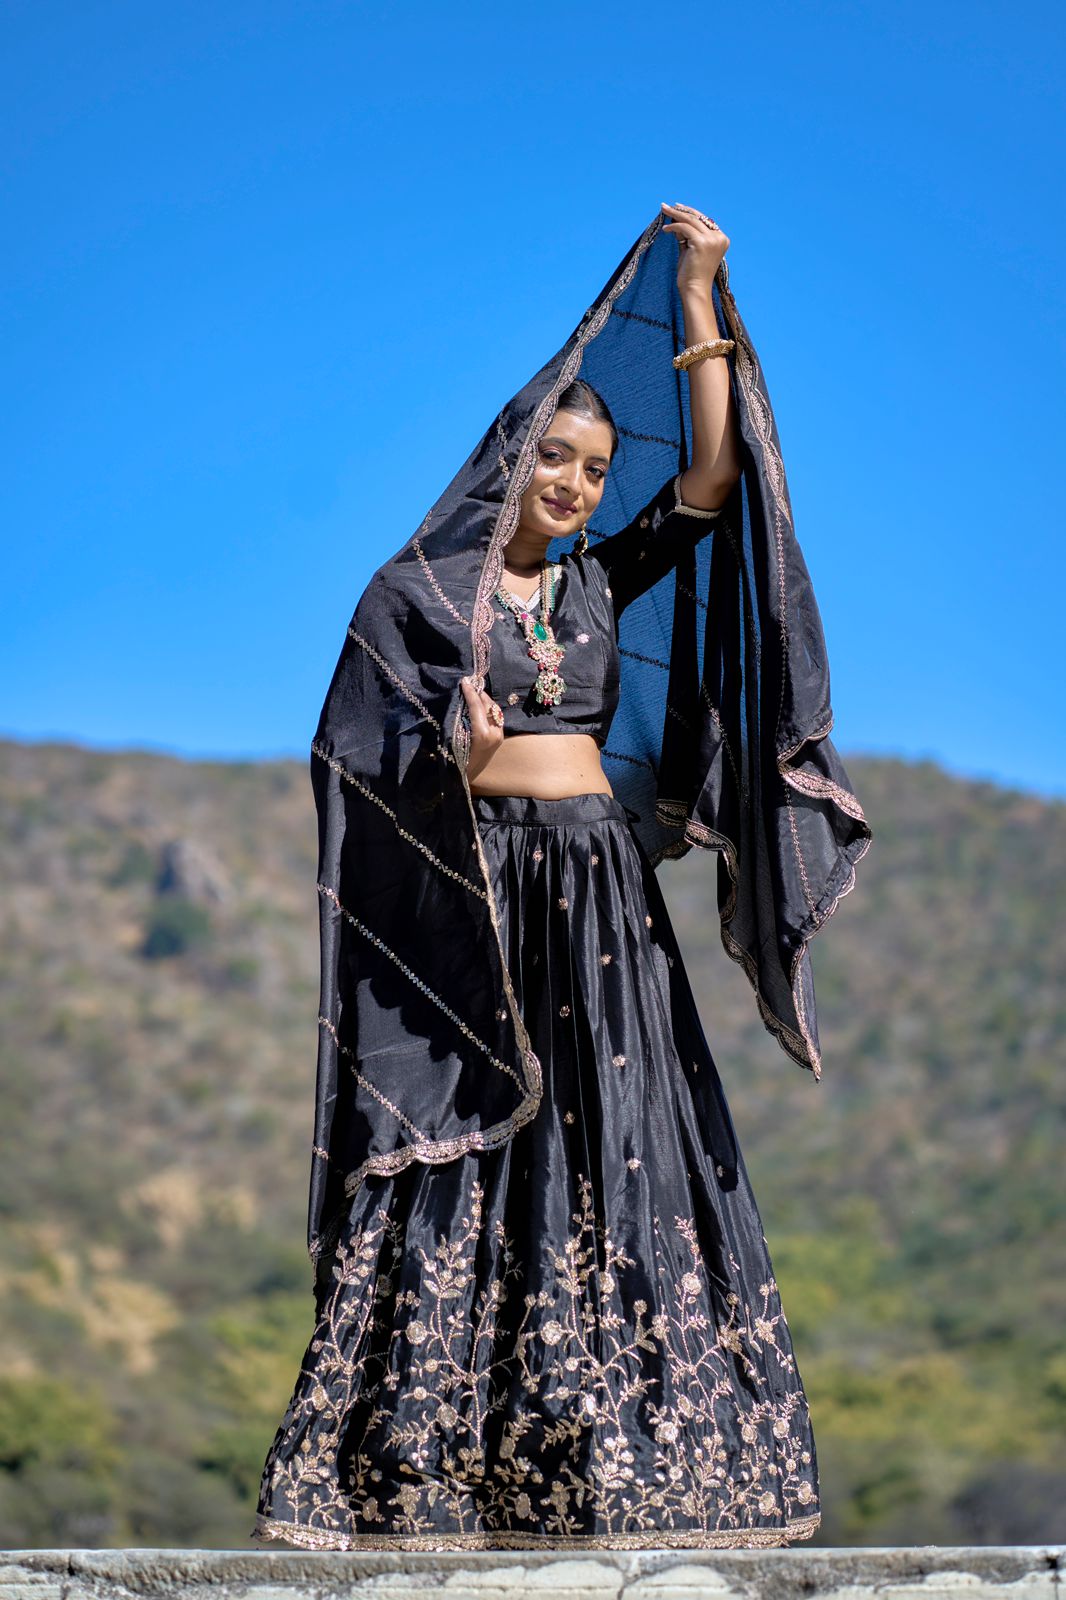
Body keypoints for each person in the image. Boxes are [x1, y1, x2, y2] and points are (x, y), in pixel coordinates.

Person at [252, 202, 872, 1551]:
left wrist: (699, 298)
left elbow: (710, 484)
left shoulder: (593, 585)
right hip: (482, 908)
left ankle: (616, 1448)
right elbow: (353, 761)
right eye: (555, 457)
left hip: (600, 899)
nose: (575, 485)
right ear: (509, 452)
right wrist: (459, 762)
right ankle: (427, 1462)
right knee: (482, 1145)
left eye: (593, 468)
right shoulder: (414, 597)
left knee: (620, 1143)